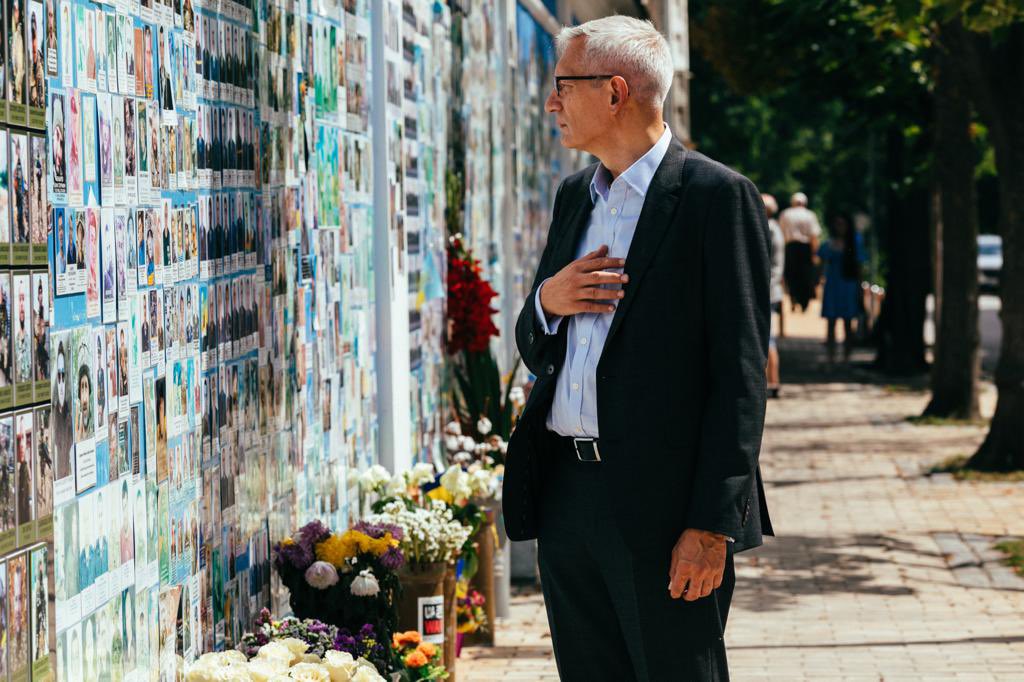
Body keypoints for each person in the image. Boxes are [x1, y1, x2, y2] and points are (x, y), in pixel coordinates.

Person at [502, 17, 772, 681]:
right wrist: (546, 302)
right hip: (567, 497)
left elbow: (739, 378)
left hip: (667, 509)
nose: (552, 102)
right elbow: (539, 350)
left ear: (615, 91)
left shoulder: (715, 197)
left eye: (564, 85)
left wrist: (710, 526)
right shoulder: (575, 196)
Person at [819, 212, 865, 365]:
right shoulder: (829, 243)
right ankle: (831, 357)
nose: (839, 227)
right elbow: (821, 259)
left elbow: (859, 267)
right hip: (832, 285)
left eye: (842, 224)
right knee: (831, 322)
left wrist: (859, 288)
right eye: (837, 223)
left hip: (848, 285)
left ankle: (846, 357)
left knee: (848, 323)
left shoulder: (855, 242)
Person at [779, 191, 821, 311]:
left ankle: (793, 298)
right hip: (805, 248)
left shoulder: (785, 214)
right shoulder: (810, 215)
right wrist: (815, 253)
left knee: (791, 274)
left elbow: (781, 233)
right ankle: (804, 302)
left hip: (790, 247)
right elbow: (814, 236)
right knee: (805, 275)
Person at [764, 195, 785, 398]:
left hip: (767, 290)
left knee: (767, 339)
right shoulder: (775, 228)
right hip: (772, 289)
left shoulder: (769, 229)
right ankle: (772, 381)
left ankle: (772, 380)